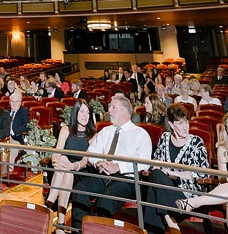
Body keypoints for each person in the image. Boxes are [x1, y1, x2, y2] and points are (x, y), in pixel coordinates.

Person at [69, 95, 152, 231]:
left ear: (125, 111)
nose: (109, 111)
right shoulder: (106, 131)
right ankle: (78, 231)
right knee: (79, 190)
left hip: (126, 180)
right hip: (103, 174)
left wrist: (118, 166)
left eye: (113, 107)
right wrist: (98, 162)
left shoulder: (140, 134)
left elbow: (144, 162)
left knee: (105, 201)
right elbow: (92, 151)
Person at [143, 104, 208, 233]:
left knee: (153, 190)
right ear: (172, 125)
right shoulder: (165, 138)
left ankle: (161, 225)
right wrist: (159, 170)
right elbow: (156, 162)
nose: (185, 127)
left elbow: (202, 173)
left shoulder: (196, 142)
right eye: (180, 123)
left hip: (186, 194)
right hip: (164, 186)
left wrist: (174, 174)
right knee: (156, 176)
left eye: (186, 123)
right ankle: (169, 218)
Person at [46, 98, 97, 225]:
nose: (85, 116)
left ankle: (49, 204)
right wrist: (56, 161)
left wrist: (72, 166)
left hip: (80, 171)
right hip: (61, 169)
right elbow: (56, 153)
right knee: (64, 165)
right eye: (82, 112)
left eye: (88, 113)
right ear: (76, 113)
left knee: (67, 171)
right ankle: (60, 225)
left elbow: (86, 160)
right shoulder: (66, 130)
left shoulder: (93, 135)